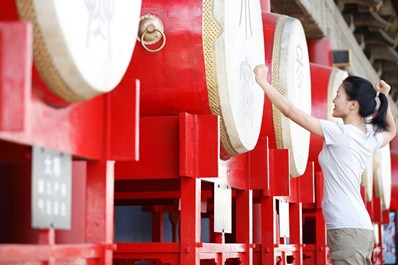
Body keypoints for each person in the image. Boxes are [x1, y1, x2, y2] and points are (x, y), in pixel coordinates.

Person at [253, 64, 396, 265]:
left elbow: (290, 111)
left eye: (338, 95)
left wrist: (261, 81)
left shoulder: (340, 134)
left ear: (353, 105)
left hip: (348, 229)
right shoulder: (367, 138)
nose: (333, 100)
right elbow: (391, 132)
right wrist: (384, 96)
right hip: (358, 228)